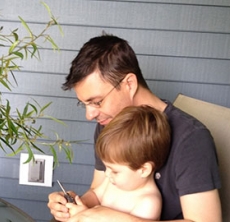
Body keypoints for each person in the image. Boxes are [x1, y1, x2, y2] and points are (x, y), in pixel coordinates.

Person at [47, 34, 222, 222]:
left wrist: (110, 217)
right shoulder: (110, 125)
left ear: (129, 84)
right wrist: (73, 204)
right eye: (84, 104)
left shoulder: (191, 138)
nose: (89, 115)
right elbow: (98, 190)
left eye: (97, 102)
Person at [66, 105, 171, 220]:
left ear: (143, 170)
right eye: (107, 167)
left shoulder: (148, 202)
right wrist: (78, 204)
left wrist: (87, 216)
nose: (107, 174)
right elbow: (96, 196)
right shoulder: (113, 181)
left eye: (115, 171)